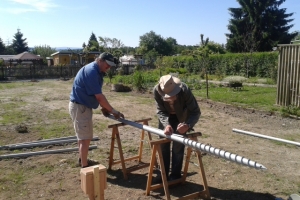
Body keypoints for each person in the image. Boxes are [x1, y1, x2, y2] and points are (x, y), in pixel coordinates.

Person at [69, 52, 124, 168]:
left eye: (110, 66)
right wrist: (113, 111)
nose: (108, 68)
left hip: (80, 106)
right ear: (99, 60)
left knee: (82, 137)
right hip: (81, 107)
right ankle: (85, 167)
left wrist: (104, 107)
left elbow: (94, 94)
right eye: (107, 65)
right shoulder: (92, 72)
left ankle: (82, 160)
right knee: (85, 139)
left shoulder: (95, 70)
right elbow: (99, 96)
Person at [153, 74, 201, 182]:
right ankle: (163, 174)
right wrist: (167, 125)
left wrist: (188, 125)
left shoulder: (185, 90)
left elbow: (195, 112)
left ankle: (175, 175)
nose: (170, 99)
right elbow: (160, 111)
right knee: (163, 146)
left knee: (178, 148)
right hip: (166, 118)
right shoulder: (156, 90)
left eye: (172, 95)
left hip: (182, 119)